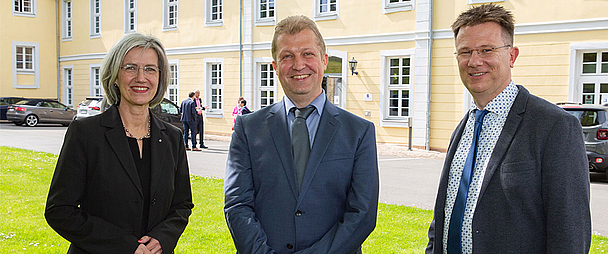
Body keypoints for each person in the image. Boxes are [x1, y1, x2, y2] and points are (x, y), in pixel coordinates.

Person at [425, 4, 591, 254]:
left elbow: (569, 232)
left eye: (486, 50)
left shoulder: (555, 127)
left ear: (512, 56)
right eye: (465, 51)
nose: (474, 61)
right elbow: (446, 213)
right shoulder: (464, 127)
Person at [224, 15, 379, 254]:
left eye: (307, 54)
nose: (298, 65)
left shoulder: (359, 132)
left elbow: (362, 215)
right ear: (275, 66)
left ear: (324, 60)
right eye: (287, 56)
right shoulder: (248, 128)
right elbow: (237, 205)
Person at [45, 33, 194, 254]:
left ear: (160, 78)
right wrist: (124, 246)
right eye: (130, 68)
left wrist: (162, 238)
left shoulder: (172, 137)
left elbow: (182, 205)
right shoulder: (86, 134)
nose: (141, 78)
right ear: (115, 76)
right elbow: (60, 210)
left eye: (150, 69)